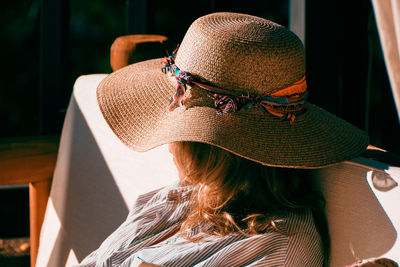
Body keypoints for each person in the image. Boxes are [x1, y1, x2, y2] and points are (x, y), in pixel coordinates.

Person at [76, 12, 369, 266]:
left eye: (179, 129)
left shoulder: (279, 249)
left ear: (210, 149)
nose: (169, 147)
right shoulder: (185, 195)